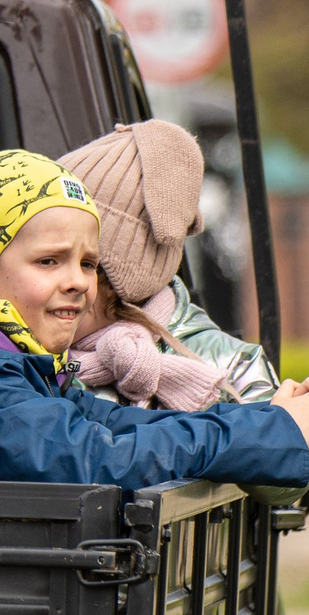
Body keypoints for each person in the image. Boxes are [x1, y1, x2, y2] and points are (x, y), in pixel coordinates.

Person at [0, 151, 309, 486]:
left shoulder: (21, 370)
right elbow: (100, 459)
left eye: (87, 263)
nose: (79, 282)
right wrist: (278, 432)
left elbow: (125, 427)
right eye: (49, 261)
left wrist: (271, 417)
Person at [61, 120, 278, 407]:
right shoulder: (16, 354)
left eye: (86, 264)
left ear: (126, 280)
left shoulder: (235, 371)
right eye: (46, 260)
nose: (62, 281)